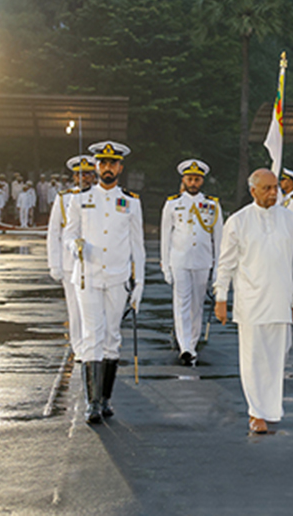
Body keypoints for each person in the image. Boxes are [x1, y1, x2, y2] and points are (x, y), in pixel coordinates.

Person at [214, 169, 293, 434]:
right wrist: (221, 297)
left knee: (278, 357)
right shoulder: (238, 221)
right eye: (267, 188)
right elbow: (226, 264)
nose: (273, 193)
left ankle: (270, 408)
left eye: (275, 187)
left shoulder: (288, 219)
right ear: (253, 190)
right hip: (251, 301)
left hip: (281, 299)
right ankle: (257, 412)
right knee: (254, 358)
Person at [63, 141, 145, 424]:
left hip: (118, 277)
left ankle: (106, 398)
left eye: (112, 163)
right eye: (102, 163)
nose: (107, 168)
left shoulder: (131, 202)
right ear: (95, 166)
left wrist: (140, 285)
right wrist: (75, 246)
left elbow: (139, 247)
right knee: (92, 336)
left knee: (112, 337)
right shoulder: (79, 199)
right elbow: (68, 235)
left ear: (120, 167)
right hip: (87, 277)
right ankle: (92, 402)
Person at [160, 159, 222, 366]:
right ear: (183, 180)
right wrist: (165, 265)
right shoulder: (172, 203)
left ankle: (192, 343)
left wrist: (217, 268)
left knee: (197, 305)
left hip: (203, 260)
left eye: (196, 179)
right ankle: (185, 345)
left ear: (202, 181)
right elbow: (165, 237)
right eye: (189, 179)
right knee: (181, 303)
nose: (193, 182)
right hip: (179, 260)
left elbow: (218, 238)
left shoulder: (213, 204)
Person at [47, 155, 97, 362]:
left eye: (88, 174)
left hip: (95, 262)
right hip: (70, 263)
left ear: (94, 176)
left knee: (93, 308)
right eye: (79, 174)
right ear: (74, 177)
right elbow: (53, 233)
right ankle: (78, 347)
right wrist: (54, 264)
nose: (83, 178)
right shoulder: (64, 198)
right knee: (75, 309)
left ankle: (92, 345)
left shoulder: (101, 196)